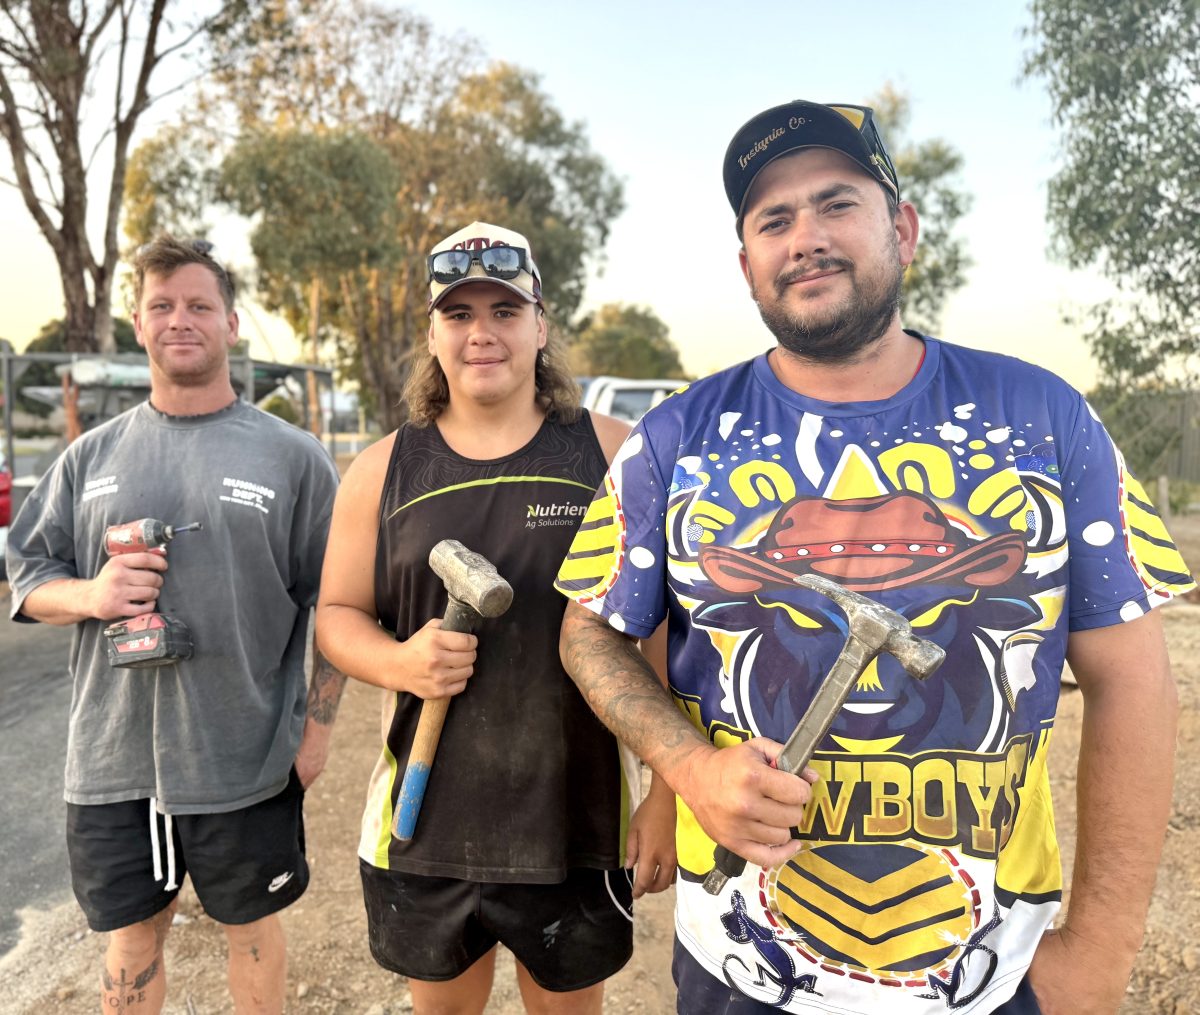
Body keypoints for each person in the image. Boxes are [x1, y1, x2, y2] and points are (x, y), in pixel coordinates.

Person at [555, 100, 1194, 1015]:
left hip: (988, 973)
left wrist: (1100, 944)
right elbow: (590, 634)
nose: (805, 237)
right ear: (747, 266)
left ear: (902, 228)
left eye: (836, 203)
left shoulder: (1047, 419)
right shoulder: (673, 439)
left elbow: (1135, 678)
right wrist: (689, 769)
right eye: (773, 220)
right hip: (741, 971)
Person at [315, 221, 676, 1015]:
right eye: (460, 314)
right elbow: (337, 616)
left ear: (541, 326)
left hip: (576, 822)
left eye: (506, 311)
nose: (483, 333)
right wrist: (399, 662)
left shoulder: (612, 456)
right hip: (426, 822)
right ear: (433, 332)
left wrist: (666, 791)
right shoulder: (381, 471)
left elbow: (654, 633)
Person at [6, 235, 344, 1014]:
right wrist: (92, 595)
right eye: (162, 305)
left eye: (199, 305)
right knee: (130, 937)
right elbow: (29, 577)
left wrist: (315, 730)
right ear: (137, 321)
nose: (179, 320)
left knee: (251, 927)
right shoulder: (90, 459)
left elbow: (332, 600)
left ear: (231, 324)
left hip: (244, 754)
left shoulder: (292, 458)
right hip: (111, 758)